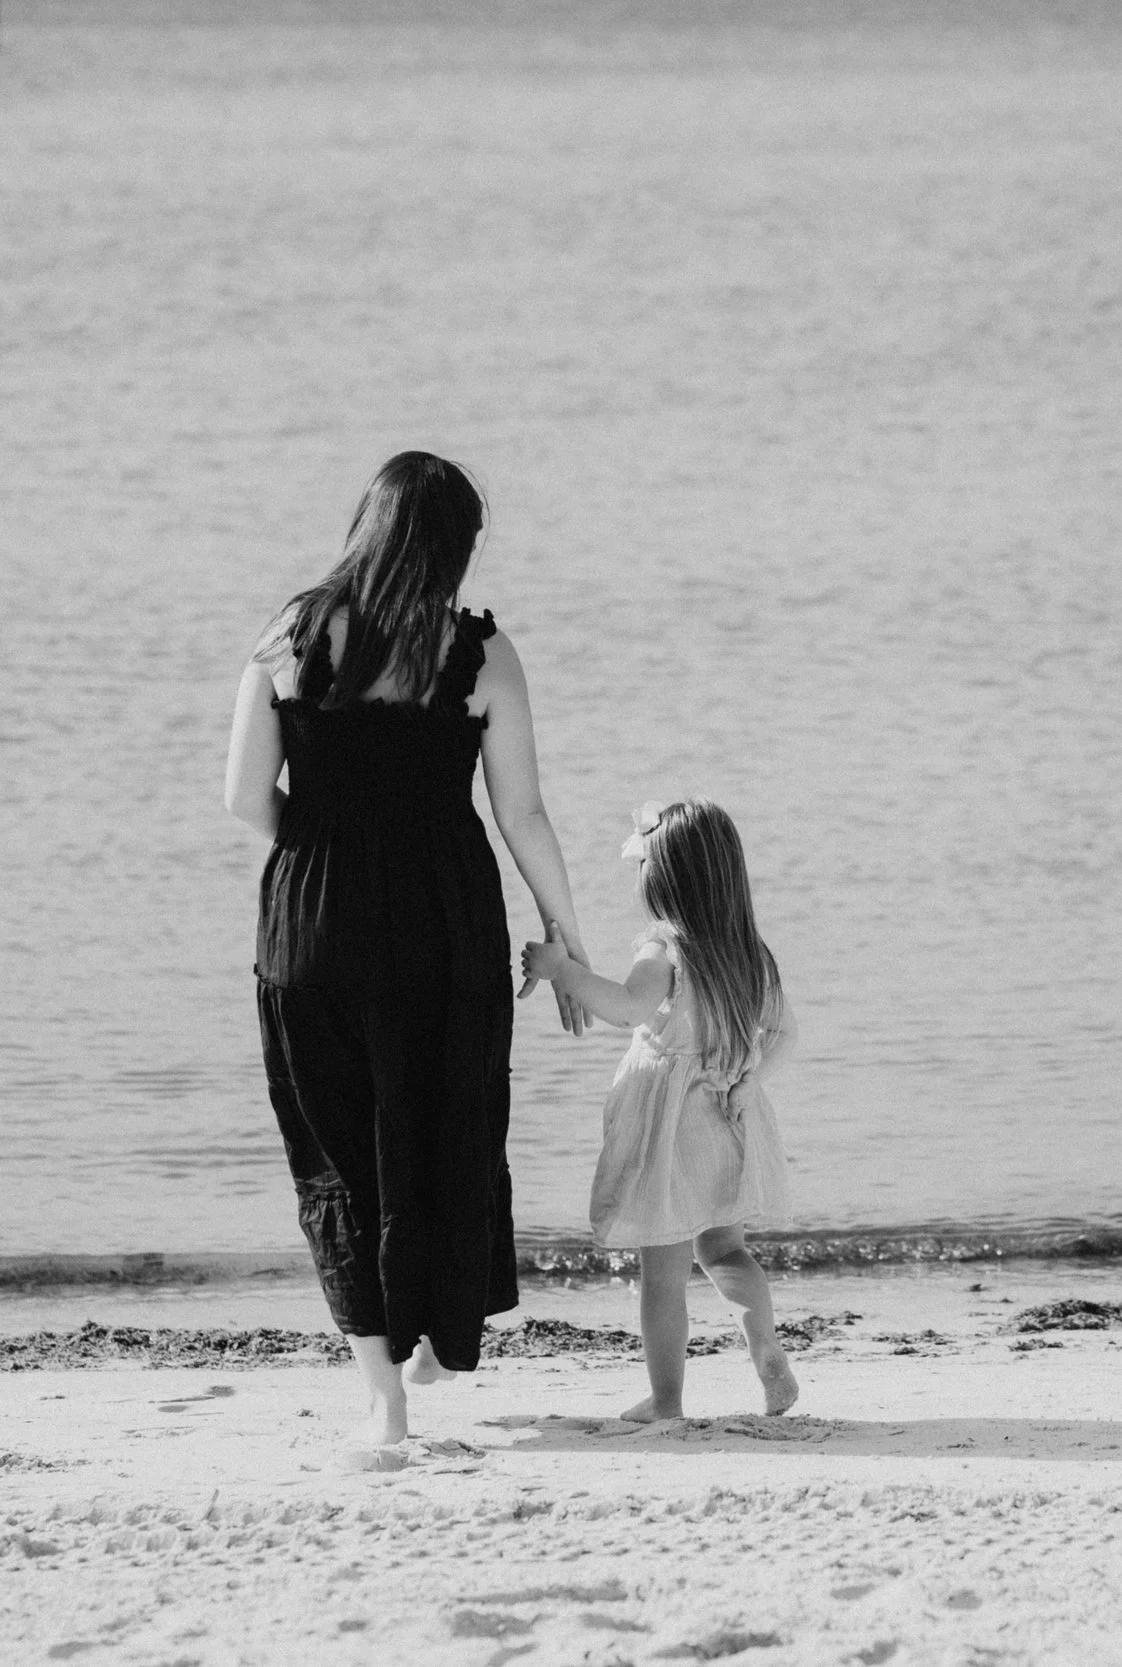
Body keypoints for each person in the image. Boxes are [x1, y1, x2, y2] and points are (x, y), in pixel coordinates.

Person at [224, 451, 594, 1454]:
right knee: (446, 1127)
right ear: (455, 547)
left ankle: (384, 1394)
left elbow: (244, 800)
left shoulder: (287, 637)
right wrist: (567, 930)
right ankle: (437, 1332)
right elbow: (522, 811)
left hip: (313, 920)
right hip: (444, 921)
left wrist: (324, 849)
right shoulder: (478, 652)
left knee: (339, 1152)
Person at [522, 798, 800, 1422]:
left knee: (663, 1273)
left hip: (673, 1131)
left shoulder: (666, 950)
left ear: (661, 879)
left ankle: (667, 1401)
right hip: (728, 1120)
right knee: (727, 1251)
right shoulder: (749, 954)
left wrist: (562, 970)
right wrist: (749, 1080)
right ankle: (766, 1352)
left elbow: (624, 1007)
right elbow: (785, 1035)